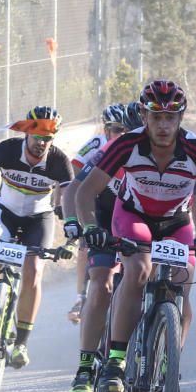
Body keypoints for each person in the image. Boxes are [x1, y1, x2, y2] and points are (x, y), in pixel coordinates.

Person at [74, 80, 196, 392]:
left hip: (176, 223)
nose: (163, 125)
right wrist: (90, 227)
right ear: (143, 115)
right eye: (156, 116)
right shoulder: (126, 144)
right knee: (139, 271)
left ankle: (170, 364)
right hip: (133, 217)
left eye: (171, 117)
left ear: (181, 118)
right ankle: (115, 361)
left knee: (183, 282)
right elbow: (86, 191)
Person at [0, 106, 74, 369]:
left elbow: (70, 201)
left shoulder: (59, 161)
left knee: (33, 270)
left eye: (48, 138)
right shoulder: (7, 149)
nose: (42, 143)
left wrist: (72, 239)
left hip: (39, 219)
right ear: (26, 131)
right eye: (38, 136)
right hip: (4, 213)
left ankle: (21, 342)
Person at [60, 102, 144, 392]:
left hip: (140, 223)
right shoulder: (108, 150)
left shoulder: (159, 151)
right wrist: (75, 221)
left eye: (134, 132)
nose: (128, 137)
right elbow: (73, 188)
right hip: (104, 216)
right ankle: (84, 368)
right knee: (102, 283)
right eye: (120, 132)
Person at [65, 103, 142, 325]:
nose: (122, 135)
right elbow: (75, 171)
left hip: (134, 218)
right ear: (106, 130)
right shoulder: (101, 146)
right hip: (102, 206)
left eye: (125, 130)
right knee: (87, 244)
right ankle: (81, 296)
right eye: (117, 130)